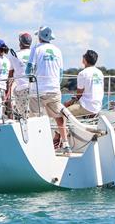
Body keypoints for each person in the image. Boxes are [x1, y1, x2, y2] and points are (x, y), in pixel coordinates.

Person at [26, 26, 69, 154]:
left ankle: (40, 146)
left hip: (37, 90)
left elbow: (29, 70)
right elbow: (61, 73)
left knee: (36, 118)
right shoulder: (58, 50)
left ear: (39, 37)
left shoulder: (36, 48)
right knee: (58, 117)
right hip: (54, 89)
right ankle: (66, 144)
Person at [65, 49, 104, 118]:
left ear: (84, 60)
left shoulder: (83, 73)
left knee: (63, 113)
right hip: (97, 106)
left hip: (87, 106)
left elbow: (79, 95)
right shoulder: (100, 73)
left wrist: (69, 103)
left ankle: (65, 129)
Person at [7, 32, 34, 119]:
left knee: (23, 115)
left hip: (22, 89)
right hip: (36, 88)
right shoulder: (35, 54)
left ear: (20, 43)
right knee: (35, 114)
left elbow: (10, 74)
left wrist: (7, 89)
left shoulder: (14, 54)